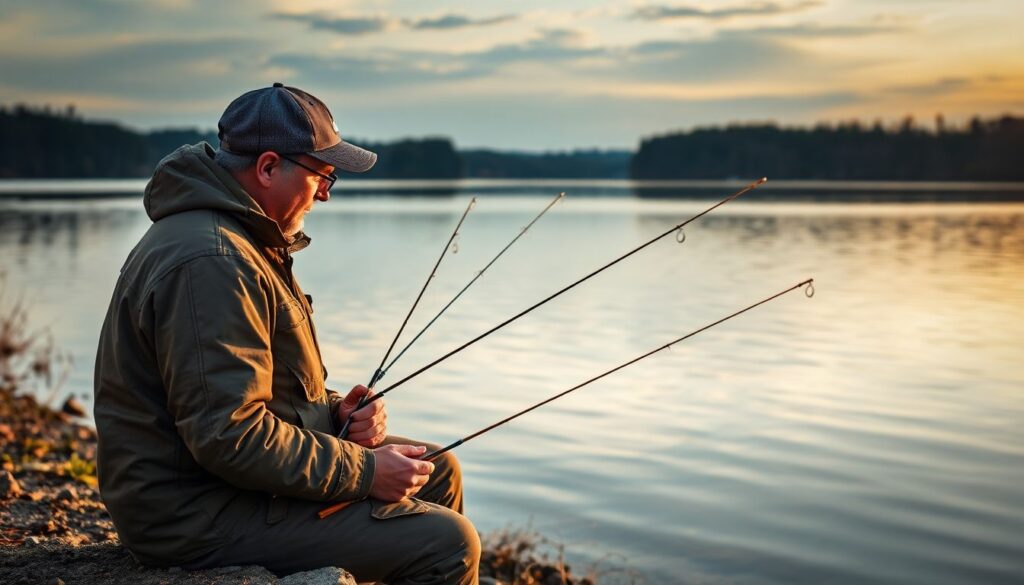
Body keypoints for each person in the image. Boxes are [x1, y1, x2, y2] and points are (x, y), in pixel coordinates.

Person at [94, 83, 481, 584]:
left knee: (436, 469)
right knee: (448, 544)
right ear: (269, 167)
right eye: (323, 174)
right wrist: (363, 471)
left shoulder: (239, 239)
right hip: (191, 513)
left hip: (218, 484)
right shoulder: (214, 260)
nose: (326, 191)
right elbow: (228, 434)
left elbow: (249, 390)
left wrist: (336, 413)